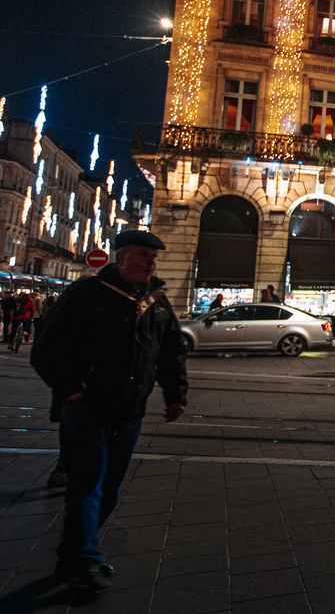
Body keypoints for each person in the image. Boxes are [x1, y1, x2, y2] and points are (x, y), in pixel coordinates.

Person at [30, 229, 187, 594]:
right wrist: (70, 390)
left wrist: (175, 394)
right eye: (144, 256)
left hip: (129, 410)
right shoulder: (87, 294)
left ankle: (75, 552)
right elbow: (47, 347)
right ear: (122, 257)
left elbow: (170, 351)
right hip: (86, 408)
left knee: (110, 489)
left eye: (154, 258)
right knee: (88, 484)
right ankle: (83, 561)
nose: (152, 262)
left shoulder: (157, 300)